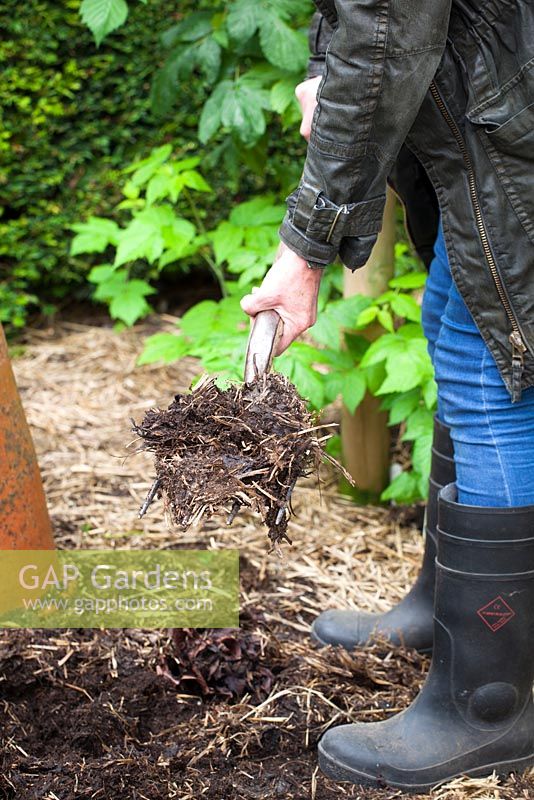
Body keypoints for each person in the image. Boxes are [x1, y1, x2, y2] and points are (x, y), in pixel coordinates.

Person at [240, 0, 534, 793]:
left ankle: (488, 702)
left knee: (493, 367)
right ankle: (445, 610)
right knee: (455, 312)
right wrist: (316, 68)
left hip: (511, 108)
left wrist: (304, 250)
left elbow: (388, 27)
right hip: (495, 106)